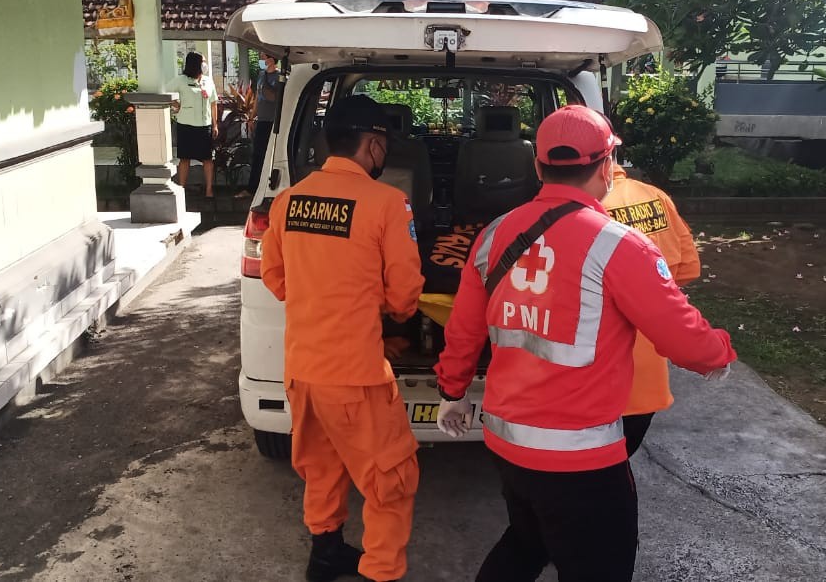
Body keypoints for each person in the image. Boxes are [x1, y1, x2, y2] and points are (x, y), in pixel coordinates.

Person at [433, 105, 737, 582]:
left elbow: (464, 333)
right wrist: (719, 351)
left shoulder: (493, 235)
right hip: (581, 459)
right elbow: (684, 338)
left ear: (537, 166)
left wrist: (452, 393)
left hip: (507, 443)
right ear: (605, 166)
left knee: (527, 540)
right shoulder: (620, 245)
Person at [260, 95, 424, 582]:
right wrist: (379, 308)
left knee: (322, 466)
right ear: (373, 145)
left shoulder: (289, 201)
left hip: (302, 371)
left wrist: (324, 295)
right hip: (357, 376)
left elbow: (276, 277)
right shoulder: (388, 203)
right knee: (393, 480)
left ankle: (326, 556)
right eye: (383, 146)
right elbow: (404, 295)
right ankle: (381, 571)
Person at [603, 164, 702, 456]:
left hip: (597, 383)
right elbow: (688, 268)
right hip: (647, 381)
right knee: (619, 466)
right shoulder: (656, 196)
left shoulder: (582, 210)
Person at [169, 51, 219, 197]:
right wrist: (175, 104)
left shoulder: (208, 81)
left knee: (207, 159)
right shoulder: (181, 80)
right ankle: (181, 188)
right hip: (186, 125)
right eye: (202, 61)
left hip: (205, 125)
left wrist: (215, 125)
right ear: (194, 64)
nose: (205, 64)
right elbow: (165, 91)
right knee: (185, 158)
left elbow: (214, 102)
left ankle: (209, 190)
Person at [248, 52, 282, 192]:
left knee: (272, 155)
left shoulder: (281, 77)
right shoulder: (261, 75)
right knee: (258, 154)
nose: (261, 59)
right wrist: (251, 116)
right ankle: (253, 187)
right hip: (261, 120)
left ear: (271, 59)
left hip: (274, 121)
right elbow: (257, 97)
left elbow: (274, 97)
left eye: (263, 57)